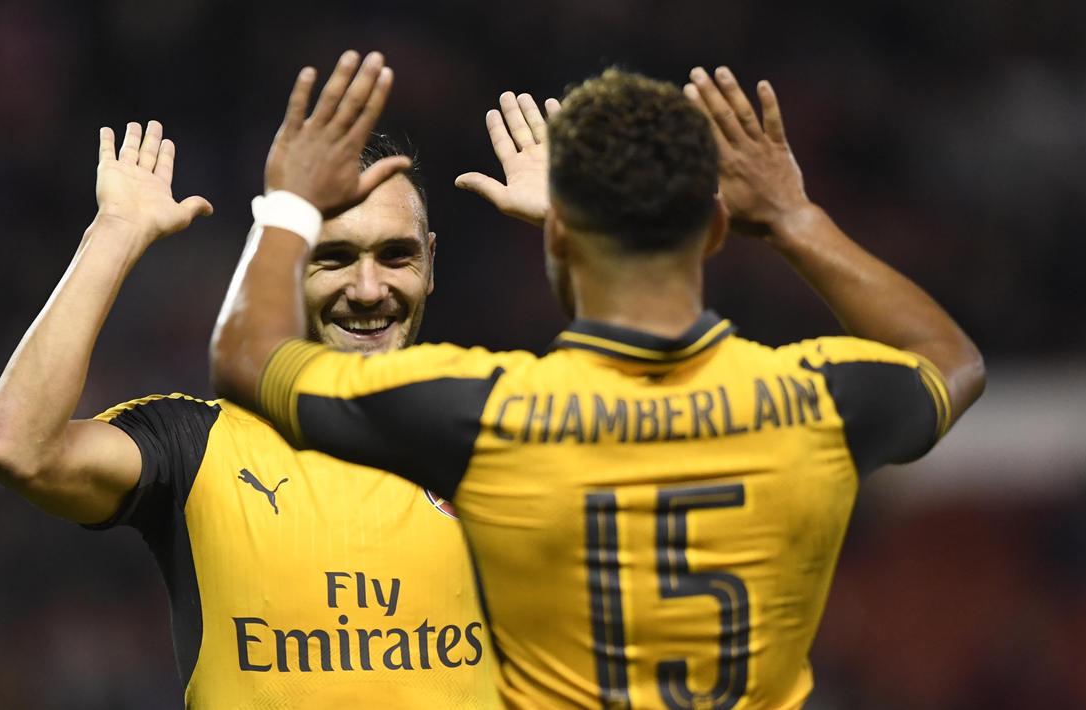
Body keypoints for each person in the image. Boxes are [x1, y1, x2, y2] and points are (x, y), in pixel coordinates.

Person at [212, 53, 985, 709]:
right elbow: (950, 358)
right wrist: (792, 217)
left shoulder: (487, 413)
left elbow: (247, 356)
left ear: (553, 232)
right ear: (714, 230)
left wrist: (290, 206)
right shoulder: (816, 401)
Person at [0, 82, 501, 707]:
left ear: (431, 264)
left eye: (395, 255)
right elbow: (17, 448)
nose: (368, 289)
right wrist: (115, 232)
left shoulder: (496, 435)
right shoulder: (196, 449)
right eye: (333, 258)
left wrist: (587, 245)